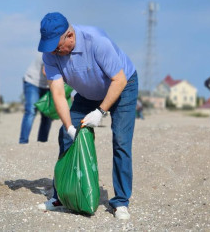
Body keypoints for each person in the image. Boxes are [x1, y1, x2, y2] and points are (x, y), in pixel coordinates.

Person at [36, 12, 138, 220]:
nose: (53, 52)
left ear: (70, 36)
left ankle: (120, 201)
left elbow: (118, 80)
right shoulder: (51, 53)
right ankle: (61, 196)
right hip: (87, 93)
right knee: (65, 136)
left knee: (120, 140)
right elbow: (57, 92)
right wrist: (70, 127)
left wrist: (100, 112)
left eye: (57, 47)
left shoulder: (97, 41)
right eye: (50, 48)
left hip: (122, 86)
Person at [19, 55, 52, 144]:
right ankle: (23, 141)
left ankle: (42, 142)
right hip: (32, 82)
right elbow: (46, 72)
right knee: (31, 111)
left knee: (47, 114)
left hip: (47, 85)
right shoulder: (50, 51)